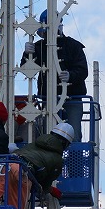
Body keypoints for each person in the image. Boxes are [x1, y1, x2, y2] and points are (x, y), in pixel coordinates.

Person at [0, 122, 75, 209]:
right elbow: (44, 185)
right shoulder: (58, 160)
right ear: (66, 144)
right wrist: (51, 190)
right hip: (22, 171)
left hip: (3, 164)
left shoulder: (35, 144)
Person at [23, 9, 88, 141]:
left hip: (72, 98)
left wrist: (71, 76)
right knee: (48, 134)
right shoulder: (39, 47)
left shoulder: (73, 46)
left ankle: (71, 158)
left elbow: (83, 70)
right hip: (48, 99)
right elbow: (26, 68)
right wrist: (27, 55)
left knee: (73, 134)